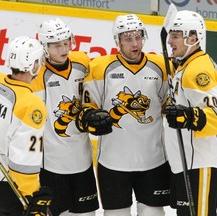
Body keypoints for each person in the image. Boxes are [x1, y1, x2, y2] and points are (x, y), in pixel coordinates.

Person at [78, 14, 171, 216]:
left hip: (153, 160)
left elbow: (168, 104)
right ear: (117, 41)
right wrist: (91, 115)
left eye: (138, 37)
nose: (135, 43)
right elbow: (87, 106)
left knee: (153, 213)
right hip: (113, 162)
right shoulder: (100, 68)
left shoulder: (160, 67)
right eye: (128, 38)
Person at [30, 18, 109, 216]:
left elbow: (93, 94)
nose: (64, 48)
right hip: (52, 166)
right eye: (57, 45)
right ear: (44, 47)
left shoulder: (82, 62)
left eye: (66, 42)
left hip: (82, 161)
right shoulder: (37, 77)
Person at [0, 36, 52, 216]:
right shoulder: (31, 104)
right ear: (33, 65)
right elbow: (23, 163)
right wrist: (32, 196)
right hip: (9, 191)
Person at [162, 10, 217, 216]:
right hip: (191, 160)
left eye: (175, 36)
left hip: (202, 161)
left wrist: (187, 116)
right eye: (170, 35)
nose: (169, 41)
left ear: (193, 38)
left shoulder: (198, 70)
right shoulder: (186, 65)